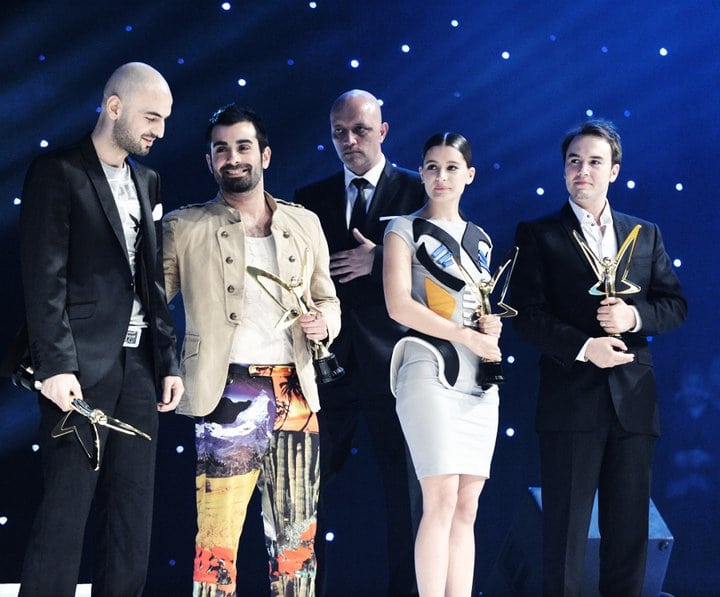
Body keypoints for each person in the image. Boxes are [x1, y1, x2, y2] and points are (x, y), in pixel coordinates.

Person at [18, 62, 184, 597]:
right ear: (115, 106)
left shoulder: (147, 180)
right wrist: (55, 365)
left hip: (139, 366)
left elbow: (151, 281)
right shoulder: (59, 172)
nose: (159, 131)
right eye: (151, 117)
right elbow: (43, 276)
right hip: (81, 367)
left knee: (132, 514)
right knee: (66, 509)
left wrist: (168, 360)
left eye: (164, 120)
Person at [162, 103, 340, 597]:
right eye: (221, 150)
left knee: (297, 543)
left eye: (243, 147)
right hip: (227, 391)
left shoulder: (304, 223)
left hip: (296, 393)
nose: (233, 158)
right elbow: (152, 307)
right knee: (216, 543)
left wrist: (325, 322)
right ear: (209, 161)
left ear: (264, 155)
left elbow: (328, 298)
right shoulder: (184, 226)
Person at [510, 119, 687, 596]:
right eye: (574, 161)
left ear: (614, 171)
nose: (582, 170)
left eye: (594, 162)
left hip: (633, 401)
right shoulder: (539, 233)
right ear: (563, 170)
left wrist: (633, 317)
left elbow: (675, 305)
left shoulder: (644, 233)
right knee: (565, 536)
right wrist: (585, 347)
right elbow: (525, 315)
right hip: (570, 400)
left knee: (629, 536)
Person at [294, 89, 425, 596]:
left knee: (406, 492)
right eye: (339, 133)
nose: (349, 141)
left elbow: (449, 272)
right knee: (305, 491)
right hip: (326, 366)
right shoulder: (309, 198)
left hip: (397, 364)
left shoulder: (417, 192)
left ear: (383, 131)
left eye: (360, 130)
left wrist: (383, 261)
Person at [383, 132, 503, 596]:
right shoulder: (402, 229)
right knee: (441, 498)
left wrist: (488, 329)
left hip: (479, 379)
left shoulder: (481, 239)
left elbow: (477, 307)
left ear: (469, 175)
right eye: (432, 167)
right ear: (421, 172)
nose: (441, 177)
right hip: (427, 368)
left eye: (452, 168)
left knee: (467, 505)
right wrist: (464, 335)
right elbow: (399, 305)